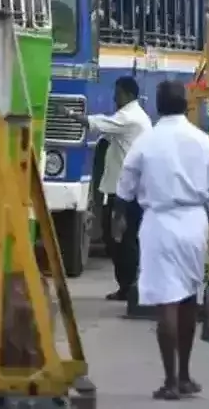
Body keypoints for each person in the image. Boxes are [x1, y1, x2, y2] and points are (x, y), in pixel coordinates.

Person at [115, 80, 209, 401]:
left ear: (158, 107)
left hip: (159, 224)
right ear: (187, 106)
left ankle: (170, 382)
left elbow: (125, 186)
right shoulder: (203, 141)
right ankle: (185, 374)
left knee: (167, 301)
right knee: (189, 298)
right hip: (194, 225)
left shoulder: (146, 141)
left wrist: (119, 219)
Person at [78, 76, 152, 301]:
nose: (114, 97)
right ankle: (127, 285)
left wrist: (73, 116)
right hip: (121, 188)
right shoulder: (132, 117)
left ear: (128, 95)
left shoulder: (131, 118)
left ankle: (129, 286)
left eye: (118, 93)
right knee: (117, 238)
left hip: (127, 192)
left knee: (124, 239)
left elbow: (101, 123)